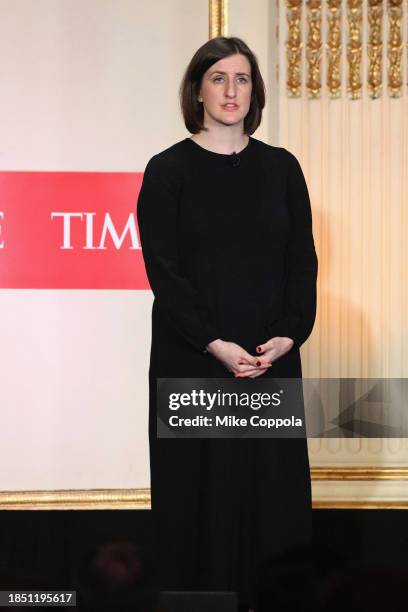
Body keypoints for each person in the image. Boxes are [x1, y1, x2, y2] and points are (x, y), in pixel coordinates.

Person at [136, 36, 318, 612]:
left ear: (255, 91)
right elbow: (164, 272)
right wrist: (215, 343)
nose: (230, 90)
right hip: (193, 359)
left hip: (270, 361)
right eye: (218, 78)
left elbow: (302, 262)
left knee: (273, 501)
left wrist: (290, 333)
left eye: (241, 79)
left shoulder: (282, 168)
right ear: (197, 90)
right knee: (197, 501)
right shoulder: (167, 171)